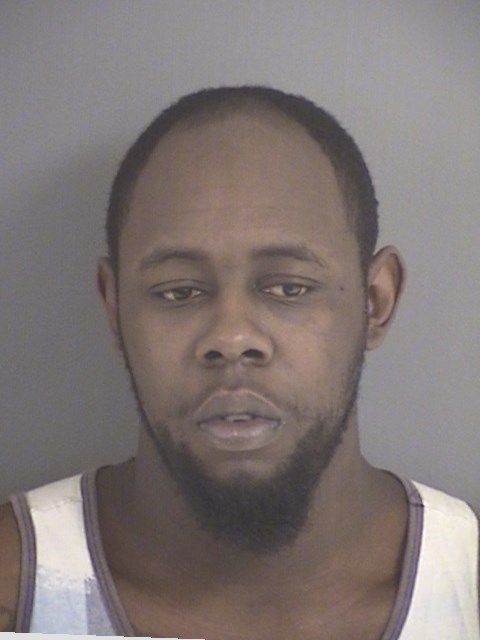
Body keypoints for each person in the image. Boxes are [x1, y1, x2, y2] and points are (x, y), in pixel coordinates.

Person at [0, 86, 478, 639]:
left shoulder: (469, 586)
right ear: (115, 309)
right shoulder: (13, 588)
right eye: (179, 291)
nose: (232, 339)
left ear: (375, 301)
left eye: (289, 288)